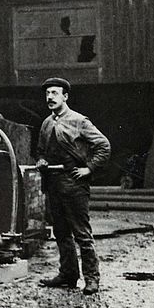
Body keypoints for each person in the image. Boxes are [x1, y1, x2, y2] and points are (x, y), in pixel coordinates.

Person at [35, 77, 111, 295]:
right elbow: (40, 151)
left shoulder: (79, 121)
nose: (50, 97)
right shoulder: (47, 123)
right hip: (54, 183)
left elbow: (103, 146)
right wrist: (41, 161)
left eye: (55, 93)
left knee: (81, 233)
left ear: (65, 96)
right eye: (47, 93)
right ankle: (68, 274)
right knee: (60, 232)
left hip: (75, 183)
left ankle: (92, 278)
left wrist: (89, 168)